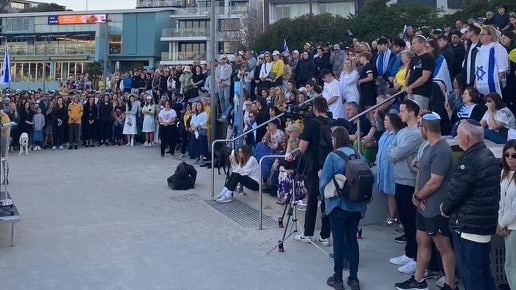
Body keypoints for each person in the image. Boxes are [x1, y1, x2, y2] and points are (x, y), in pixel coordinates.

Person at [395, 113, 457, 290]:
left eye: (421, 126)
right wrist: (416, 196)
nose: (419, 128)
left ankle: (450, 284)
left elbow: (435, 181)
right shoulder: (428, 147)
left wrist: (419, 196)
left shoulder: (442, 150)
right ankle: (419, 280)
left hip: (435, 208)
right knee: (421, 240)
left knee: (442, 245)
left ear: (425, 129)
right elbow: (421, 173)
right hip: (423, 206)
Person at [440, 119, 500, 290]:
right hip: (482, 227)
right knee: (483, 273)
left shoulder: (470, 161)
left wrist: (445, 208)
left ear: (466, 138)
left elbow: (455, 192)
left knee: (471, 276)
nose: (458, 139)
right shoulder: (487, 155)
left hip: (469, 228)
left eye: (459, 135)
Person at [319, 126, 366, 290]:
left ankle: (338, 278)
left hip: (338, 204)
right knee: (352, 240)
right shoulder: (358, 154)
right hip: (356, 205)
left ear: (335, 139)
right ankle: (354, 278)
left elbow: (324, 182)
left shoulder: (333, 156)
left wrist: (322, 197)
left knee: (338, 241)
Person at [387, 100, 424, 274]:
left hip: (410, 182)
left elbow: (396, 153)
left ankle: (416, 257)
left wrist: (394, 152)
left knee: (411, 221)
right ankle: (409, 253)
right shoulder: (402, 131)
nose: (399, 114)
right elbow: (391, 149)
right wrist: (393, 152)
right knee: (405, 221)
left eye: (402, 111)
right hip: (399, 179)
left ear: (411, 113)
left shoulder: (416, 133)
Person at [294, 96, 331, 247]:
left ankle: (308, 233)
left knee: (312, 200)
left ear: (315, 108)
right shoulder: (331, 122)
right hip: (328, 166)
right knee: (327, 200)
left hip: (313, 167)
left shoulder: (311, 124)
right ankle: (325, 236)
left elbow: (302, 148)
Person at [377, 113, 404, 227]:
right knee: (389, 193)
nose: (384, 122)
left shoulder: (398, 135)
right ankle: (392, 216)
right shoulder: (385, 134)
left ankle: (393, 217)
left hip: (391, 167)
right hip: (382, 166)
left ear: (392, 122)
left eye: (387, 120)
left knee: (393, 193)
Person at [498, 139, 516, 289]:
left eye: (514, 155)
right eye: (507, 155)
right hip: (507, 225)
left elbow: (515, 208)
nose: (510, 158)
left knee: (512, 266)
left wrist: (502, 223)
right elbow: (501, 201)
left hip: (514, 227)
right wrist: (500, 222)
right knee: (509, 264)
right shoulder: (504, 173)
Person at [474, 25, 509, 97]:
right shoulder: (480, 49)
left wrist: (495, 83)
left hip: (494, 85)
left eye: (483, 34)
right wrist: (475, 83)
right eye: (480, 34)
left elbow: (502, 69)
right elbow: (477, 69)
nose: (480, 36)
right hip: (480, 84)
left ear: (490, 36)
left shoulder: (497, 47)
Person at [405, 35, 435, 110]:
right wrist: (406, 85)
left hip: (421, 93)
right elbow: (409, 74)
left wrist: (411, 86)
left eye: (414, 43)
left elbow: (424, 77)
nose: (412, 46)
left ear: (422, 44)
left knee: (419, 115)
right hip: (410, 92)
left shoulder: (428, 58)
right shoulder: (413, 59)